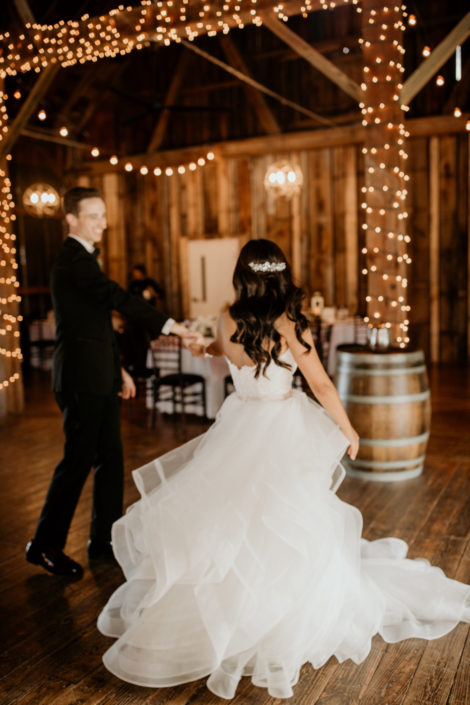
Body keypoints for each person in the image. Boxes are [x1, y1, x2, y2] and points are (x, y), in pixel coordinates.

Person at [97, 239, 470, 699]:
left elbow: (229, 349)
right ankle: (283, 611)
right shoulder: (290, 321)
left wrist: (211, 348)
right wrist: (348, 428)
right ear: (281, 274)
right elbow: (319, 383)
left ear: (242, 274)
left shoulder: (227, 317)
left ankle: (234, 609)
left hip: (239, 422)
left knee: (234, 511)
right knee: (288, 513)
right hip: (281, 421)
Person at [25, 187, 197, 580]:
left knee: (111, 459)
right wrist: (172, 326)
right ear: (71, 219)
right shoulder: (73, 260)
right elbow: (116, 298)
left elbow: (97, 323)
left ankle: (103, 541)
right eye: (94, 215)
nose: (103, 222)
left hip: (99, 373)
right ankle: (43, 545)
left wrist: (118, 369)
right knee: (78, 461)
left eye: (104, 215)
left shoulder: (86, 260)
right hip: (79, 377)